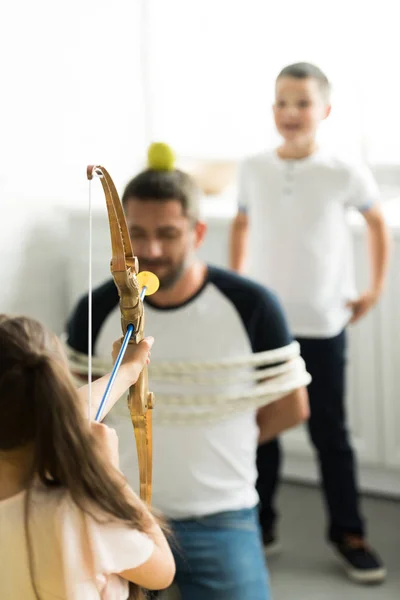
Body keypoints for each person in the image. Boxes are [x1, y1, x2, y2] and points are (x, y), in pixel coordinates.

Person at [65, 144, 311, 600]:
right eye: (135, 233)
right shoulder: (95, 308)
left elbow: (292, 406)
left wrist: (220, 441)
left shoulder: (251, 305)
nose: (151, 250)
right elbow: (76, 412)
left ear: (197, 232)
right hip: (119, 511)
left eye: (168, 233)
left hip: (221, 514)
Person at [229, 62, 391, 584]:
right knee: (263, 426)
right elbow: (242, 221)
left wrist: (374, 288)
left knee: (330, 430)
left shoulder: (343, 169)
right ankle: (262, 523)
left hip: (323, 321)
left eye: (301, 102)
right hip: (266, 323)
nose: (290, 113)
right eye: (281, 102)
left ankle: (349, 533)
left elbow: (374, 220)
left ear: (325, 110)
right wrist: (235, 286)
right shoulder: (253, 166)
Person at [0, 314, 175, 600]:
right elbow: (162, 571)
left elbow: (72, 410)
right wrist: (108, 474)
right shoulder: (81, 513)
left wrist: (126, 371)